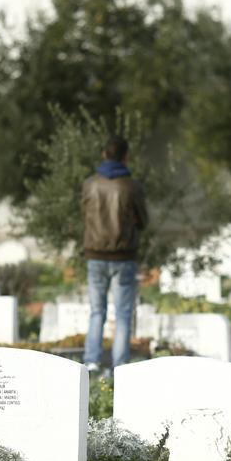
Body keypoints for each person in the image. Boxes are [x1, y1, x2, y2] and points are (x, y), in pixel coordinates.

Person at [81, 135, 148, 373]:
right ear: (125, 156)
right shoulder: (132, 186)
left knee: (97, 310)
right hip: (123, 256)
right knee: (123, 313)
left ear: (103, 154)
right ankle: (120, 366)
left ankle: (91, 360)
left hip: (95, 255)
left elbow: (85, 216)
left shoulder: (90, 184)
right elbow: (143, 221)